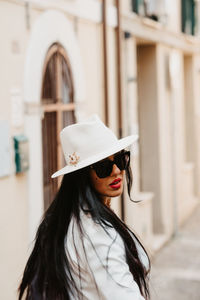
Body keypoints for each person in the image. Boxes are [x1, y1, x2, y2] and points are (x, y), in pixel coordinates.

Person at [18, 115, 151, 300]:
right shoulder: (96, 234)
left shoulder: (71, 219)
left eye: (120, 159)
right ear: (82, 176)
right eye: (103, 167)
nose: (116, 171)